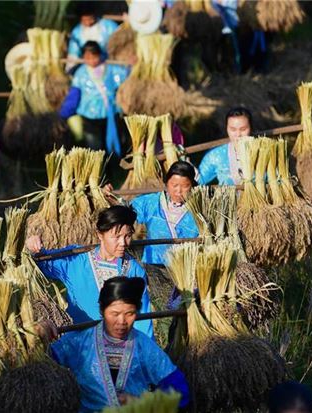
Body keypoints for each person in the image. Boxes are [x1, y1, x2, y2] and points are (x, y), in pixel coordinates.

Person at [50, 277, 190, 412]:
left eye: (129, 313)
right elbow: (44, 361)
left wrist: (142, 401)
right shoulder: (80, 341)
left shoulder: (143, 346)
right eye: (114, 313)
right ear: (102, 311)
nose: (122, 321)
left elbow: (179, 390)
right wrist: (38, 335)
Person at [26, 206, 153, 337]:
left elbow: (142, 318)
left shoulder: (134, 271)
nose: (123, 243)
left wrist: (146, 351)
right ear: (100, 234)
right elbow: (40, 263)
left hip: (119, 345)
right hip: (80, 344)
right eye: (116, 236)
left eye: (127, 236)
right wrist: (32, 247)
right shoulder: (75, 260)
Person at [59, 41, 129, 156]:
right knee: (94, 146)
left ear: (100, 55)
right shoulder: (80, 73)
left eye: (94, 56)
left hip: (109, 114)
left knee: (110, 142)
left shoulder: (112, 69)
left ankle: (112, 167)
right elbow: (74, 95)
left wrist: (131, 66)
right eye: (87, 57)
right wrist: (64, 113)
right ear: (83, 57)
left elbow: (126, 76)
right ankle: (98, 168)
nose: (91, 60)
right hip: (89, 117)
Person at [131, 161, 199, 265]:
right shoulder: (152, 202)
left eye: (185, 186)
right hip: (154, 264)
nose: (179, 191)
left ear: (192, 186)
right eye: (174, 185)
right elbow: (128, 210)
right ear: (167, 183)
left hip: (188, 265)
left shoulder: (200, 207)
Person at [197, 106, 253, 185]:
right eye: (233, 129)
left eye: (243, 129)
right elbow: (198, 181)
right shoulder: (216, 155)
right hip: (228, 197)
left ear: (251, 128)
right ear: (227, 129)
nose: (238, 134)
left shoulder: (264, 152)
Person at [67, 4, 119, 70]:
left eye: (90, 19)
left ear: (95, 15)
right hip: (87, 66)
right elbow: (73, 53)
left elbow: (119, 45)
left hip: (109, 64)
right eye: (84, 20)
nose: (88, 23)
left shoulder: (109, 26)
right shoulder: (76, 32)